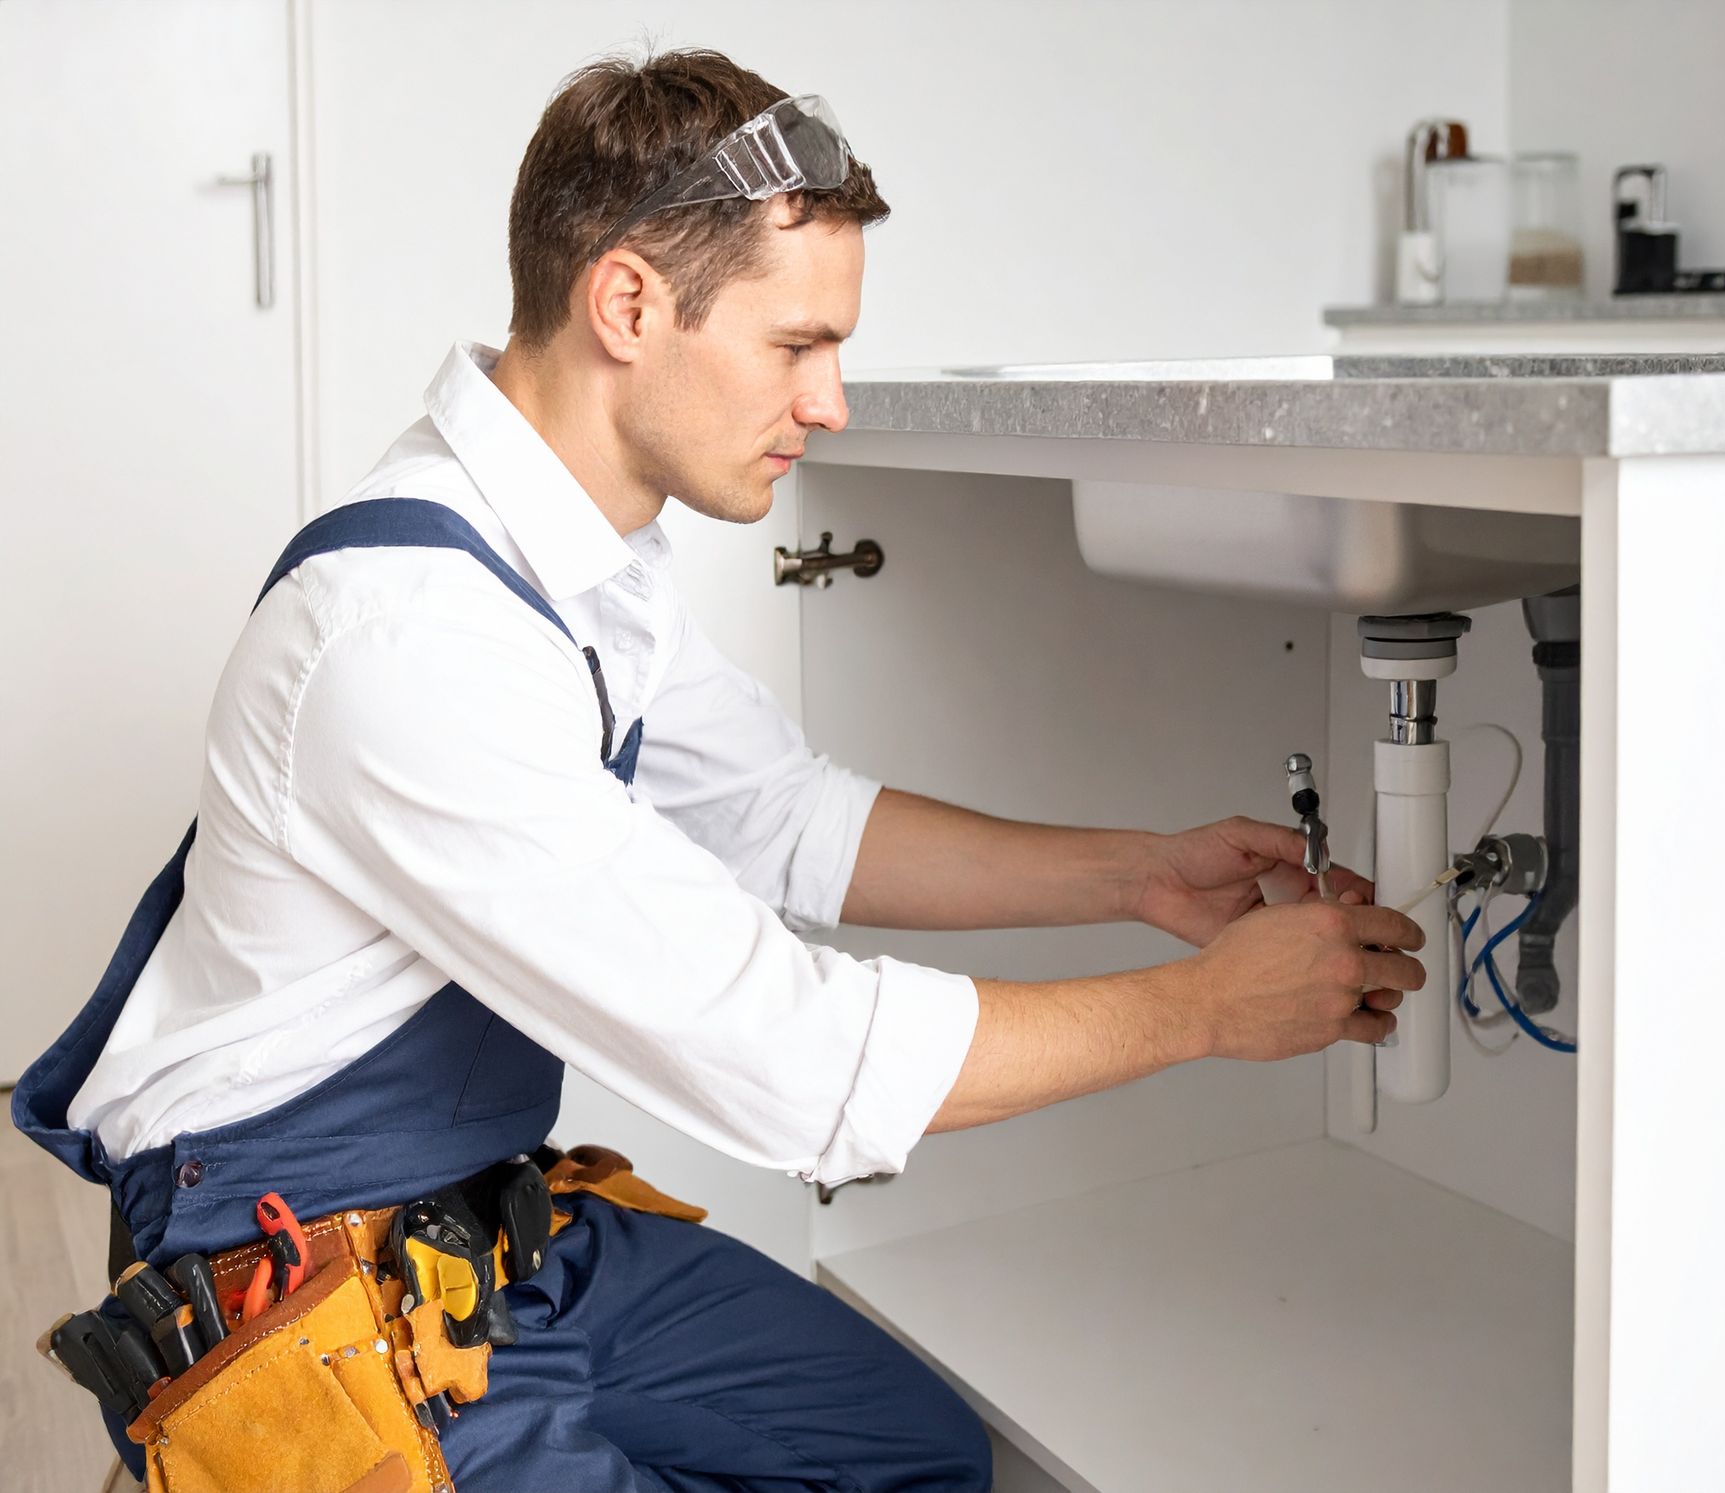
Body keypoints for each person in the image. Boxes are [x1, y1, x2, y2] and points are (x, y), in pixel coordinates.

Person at [12, 47, 1424, 1492]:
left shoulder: (576, 558)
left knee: (912, 1454)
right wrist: (1202, 1012)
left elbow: (786, 818)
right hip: (297, 1287)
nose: (832, 403)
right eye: (796, 345)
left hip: (486, 1244)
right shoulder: (409, 640)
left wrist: (1137, 875)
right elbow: (789, 1057)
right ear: (628, 303)